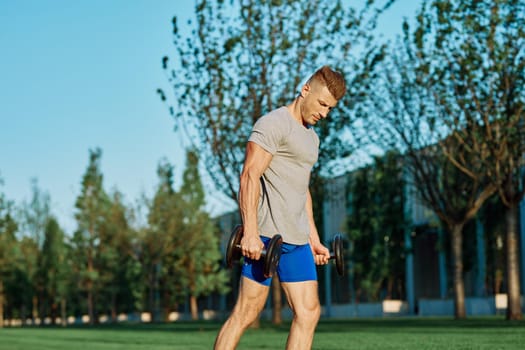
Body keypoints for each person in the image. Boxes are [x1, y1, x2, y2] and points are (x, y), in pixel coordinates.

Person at [214, 65, 346, 350]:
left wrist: (313, 239)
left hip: (297, 241)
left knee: (309, 313)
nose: (324, 113)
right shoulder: (273, 123)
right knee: (246, 314)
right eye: (322, 104)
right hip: (266, 238)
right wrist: (249, 233)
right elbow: (249, 175)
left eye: (330, 108)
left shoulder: (312, 138)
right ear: (305, 90)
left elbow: (302, 189)